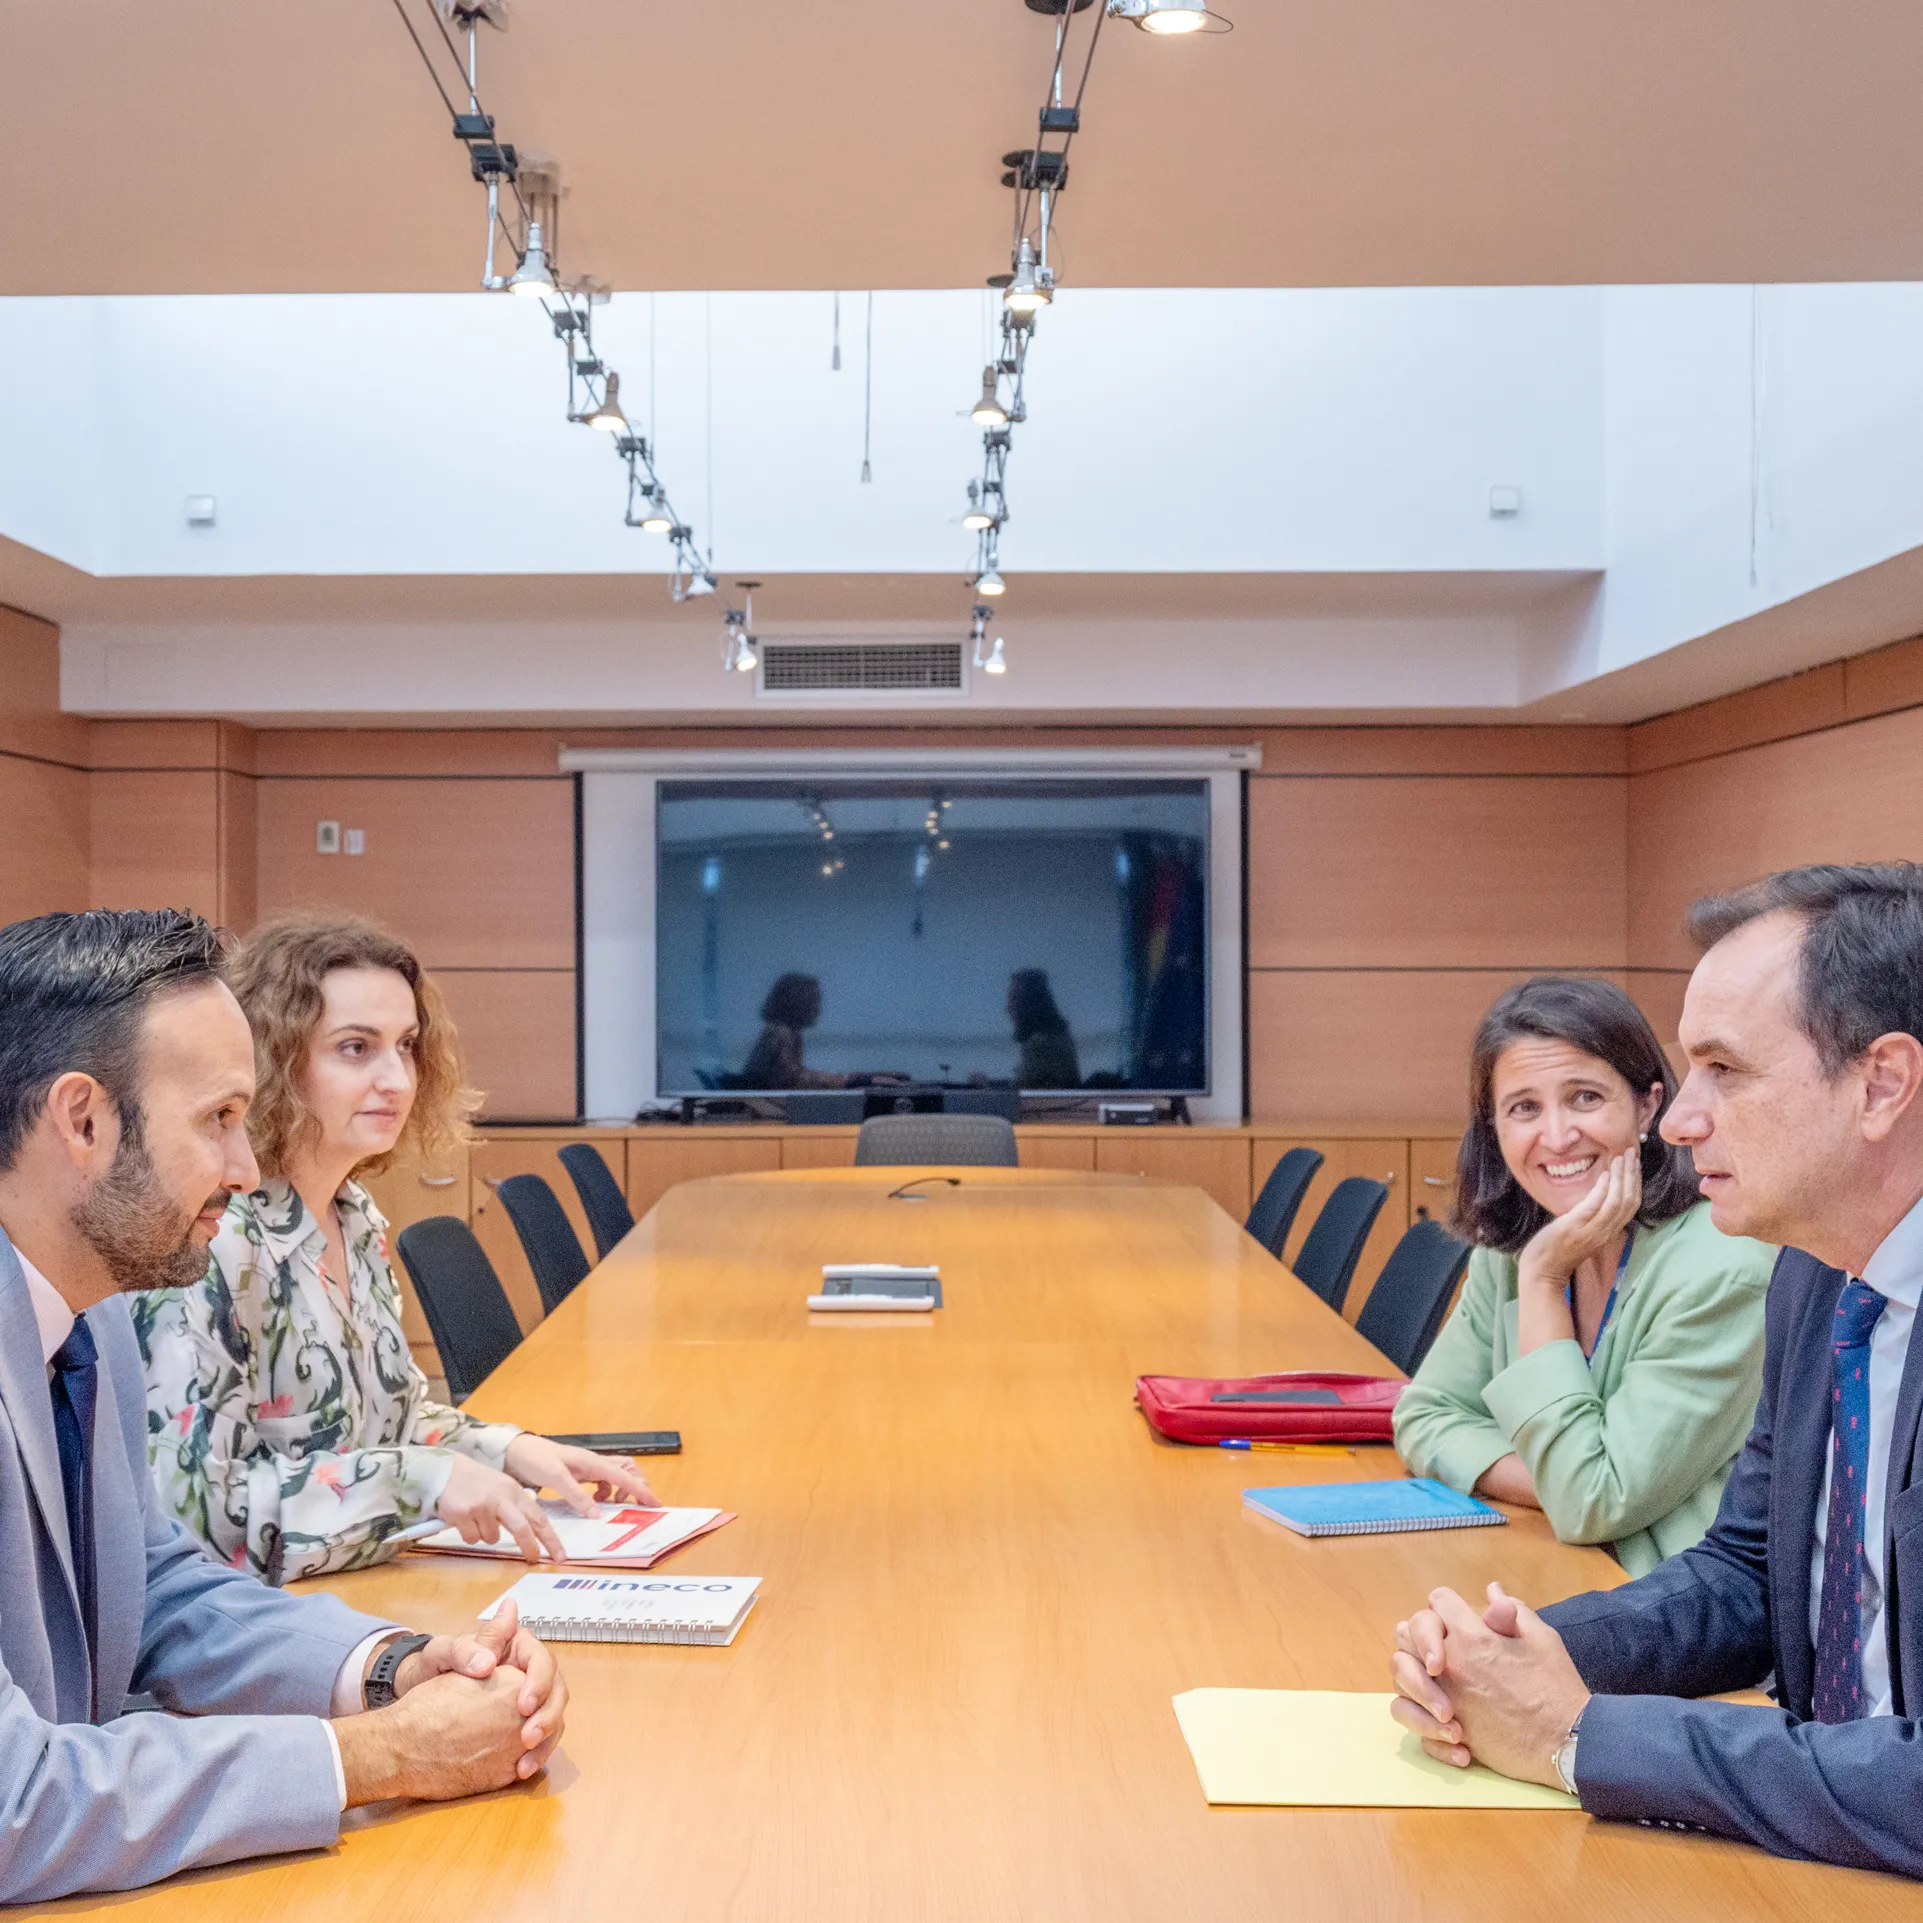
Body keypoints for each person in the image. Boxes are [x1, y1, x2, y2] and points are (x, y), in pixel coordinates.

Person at [0, 907, 569, 1901]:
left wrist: (391, 1665)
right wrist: (376, 1756)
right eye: (217, 1119)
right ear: (83, 1122)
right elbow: (14, 1804)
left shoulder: (83, 1323)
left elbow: (156, 1587)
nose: (247, 1166)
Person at [1388, 863, 1923, 1875]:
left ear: (1881, 1084)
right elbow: (1749, 1578)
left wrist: (1580, 1738)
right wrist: (1512, 1654)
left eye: (1728, 1071)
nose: (1679, 1121)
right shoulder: (1819, 1282)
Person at [137, 912, 654, 1585]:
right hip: (259, 1640)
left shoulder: (352, 1217)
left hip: (363, 1592)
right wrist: (423, 1482)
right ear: (272, 1059)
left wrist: (512, 1451)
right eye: (356, 1048)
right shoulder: (208, 1243)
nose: (398, 1079)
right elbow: (201, 1520)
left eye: (406, 1045)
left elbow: (391, 1420)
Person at [1392, 977, 1774, 1575]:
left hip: (1669, 1622)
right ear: (1495, 1128)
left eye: (1585, 1098)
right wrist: (1556, 1480)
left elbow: (1593, 1500)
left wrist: (1545, 1282)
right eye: (1524, 1108)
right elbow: (1425, 1415)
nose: (1557, 1135)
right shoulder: (1512, 1248)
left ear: (1649, 1106)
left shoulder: (1723, 1268)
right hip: (1544, 1566)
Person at [741, 972, 847, 1089]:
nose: (818, 1008)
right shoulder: (780, 1033)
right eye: (813, 1001)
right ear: (797, 1003)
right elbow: (791, 1078)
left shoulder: (789, 1033)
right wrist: (845, 1080)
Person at [1008, 968, 1081, 1090]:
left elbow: (1025, 1092)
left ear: (1031, 1003)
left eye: (1015, 997)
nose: (1009, 1007)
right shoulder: (1051, 1036)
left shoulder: (1042, 1043)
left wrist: (985, 1088)